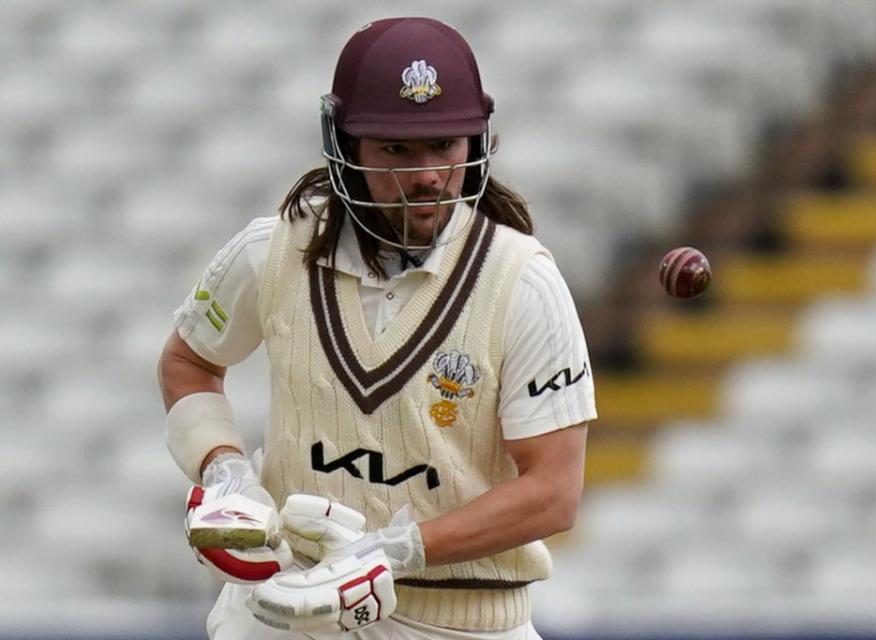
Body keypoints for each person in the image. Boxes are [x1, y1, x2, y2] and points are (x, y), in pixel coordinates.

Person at [158, 16, 596, 640]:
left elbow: (554, 491)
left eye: (444, 146)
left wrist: (392, 552)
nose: (426, 176)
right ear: (345, 145)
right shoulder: (273, 251)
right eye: (396, 148)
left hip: (460, 626)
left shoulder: (522, 284)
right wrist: (226, 472)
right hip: (287, 609)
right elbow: (189, 361)